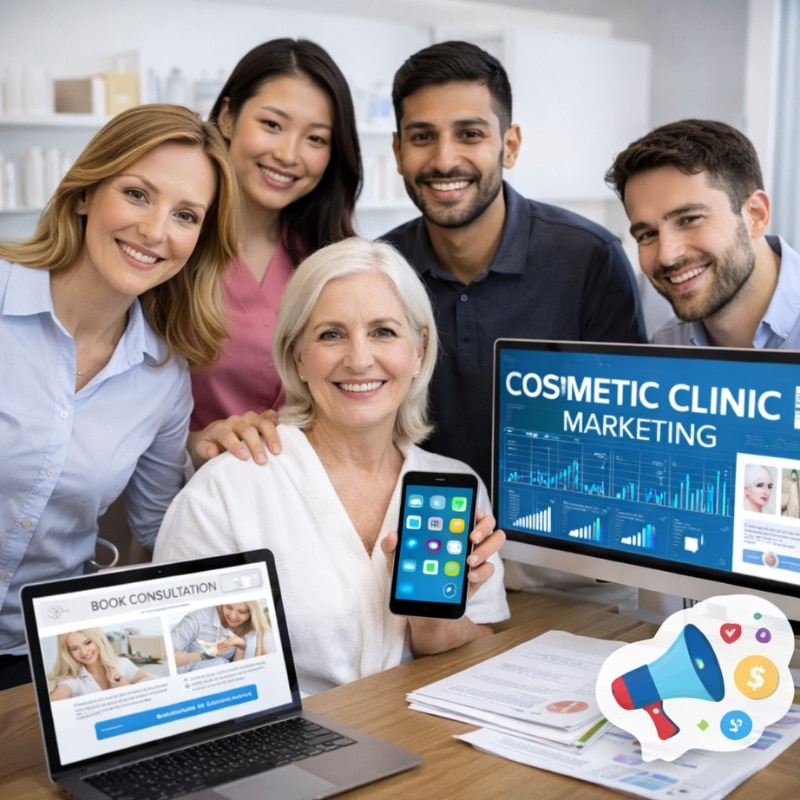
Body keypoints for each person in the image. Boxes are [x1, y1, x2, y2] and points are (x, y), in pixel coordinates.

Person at [154, 237, 509, 696]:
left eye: (384, 331)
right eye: (331, 334)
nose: (359, 359)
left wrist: (436, 624)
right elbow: (180, 676)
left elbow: (480, 648)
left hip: (420, 745)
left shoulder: (457, 485)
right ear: (298, 356)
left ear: (419, 351)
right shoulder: (224, 493)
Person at [0, 104, 239, 690]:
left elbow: (164, 533)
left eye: (185, 214)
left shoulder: (162, 374)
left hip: (37, 660)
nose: (156, 231)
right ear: (85, 193)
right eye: (137, 194)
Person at [381, 40, 646, 492]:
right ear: (398, 150)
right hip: (422, 530)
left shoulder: (590, 259)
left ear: (510, 145)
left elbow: (629, 431)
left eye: (470, 134)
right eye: (422, 136)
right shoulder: (382, 269)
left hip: (555, 538)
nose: (445, 160)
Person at [187, 38, 362, 468]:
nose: (287, 154)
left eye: (316, 138)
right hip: (193, 494)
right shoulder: (171, 247)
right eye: (272, 124)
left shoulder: (334, 259)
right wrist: (193, 442)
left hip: (310, 497)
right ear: (227, 116)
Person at [605, 118, 800, 349]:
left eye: (690, 219)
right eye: (647, 234)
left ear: (755, 215)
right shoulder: (667, 346)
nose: (667, 255)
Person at [49, 628, 152, 700]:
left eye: (88, 643)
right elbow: (54, 704)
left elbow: (150, 681)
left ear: (98, 640)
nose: (84, 652)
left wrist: (125, 686)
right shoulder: (73, 680)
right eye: (74, 648)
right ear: (68, 653)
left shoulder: (121, 664)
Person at [170, 601, 270, 673]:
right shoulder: (196, 619)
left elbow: (238, 667)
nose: (233, 616)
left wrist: (242, 645)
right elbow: (170, 658)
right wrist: (205, 654)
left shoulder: (250, 629)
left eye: (242, 612)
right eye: (229, 607)